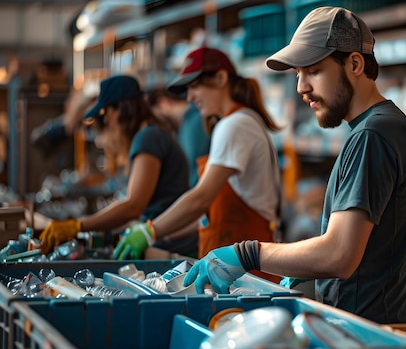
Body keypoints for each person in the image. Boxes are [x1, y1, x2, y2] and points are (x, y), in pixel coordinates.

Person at [182, 7, 406, 324]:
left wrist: (248, 254)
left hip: (369, 332)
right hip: (368, 323)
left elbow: (339, 254)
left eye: (313, 71)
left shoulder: (373, 135)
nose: (301, 87)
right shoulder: (383, 127)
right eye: (298, 74)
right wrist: (310, 276)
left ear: (354, 64)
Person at [114, 47, 283, 283]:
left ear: (221, 79)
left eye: (194, 87)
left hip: (245, 274)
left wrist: (150, 230)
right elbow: (207, 214)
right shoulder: (239, 122)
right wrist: (161, 233)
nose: (190, 98)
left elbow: (200, 198)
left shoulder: (235, 125)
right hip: (234, 271)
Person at [38, 74, 198, 257]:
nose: (106, 121)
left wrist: (78, 225)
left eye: (106, 113)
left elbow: (133, 205)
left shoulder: (149, 138)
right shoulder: (151, 134)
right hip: (164, 241)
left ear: (120, 109)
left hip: (171, 246)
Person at [146, 88, 211, 187]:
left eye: (155, 117)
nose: (156, 124)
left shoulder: (196, 120)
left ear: (162, 103)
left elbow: (196, 166)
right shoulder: (184, 126)